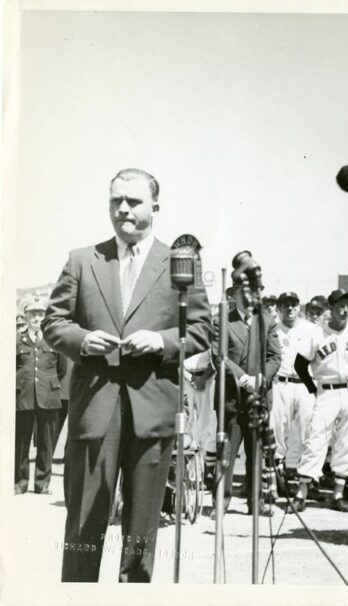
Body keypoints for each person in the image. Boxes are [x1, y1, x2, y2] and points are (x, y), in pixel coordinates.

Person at [42, 168, 212, 582]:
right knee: (83, 526)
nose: (122, 209)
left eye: (133, 201)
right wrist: (82, 340)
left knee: (140, 537)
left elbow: (203, 329)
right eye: (115, 200)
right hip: (95, 412)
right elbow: (53, 323)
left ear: (155, 205)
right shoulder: (83, 260)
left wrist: (162, 342)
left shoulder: (178, 262)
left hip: (152, 414)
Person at [291, 289, 348, 512]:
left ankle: (338, 494)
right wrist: (311, 387)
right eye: (339, 307)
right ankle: (302, 493)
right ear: (331, 309)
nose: (344, 310)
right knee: (316, 437)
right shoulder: (318, 333)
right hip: (326, 390)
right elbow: (300, 364)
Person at [211, 273, 281, 516]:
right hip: (231, 396)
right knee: (226, 452)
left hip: (258, 397)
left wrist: (260, 380)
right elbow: (220, 356)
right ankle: (222, 502)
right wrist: (243, 378)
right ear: (236, 294)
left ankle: (256, 501)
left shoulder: (267, 321)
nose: (252, 297)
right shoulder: (222, 320)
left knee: (256, 453)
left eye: (256, 292)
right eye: (247, 292)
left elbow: (274, 357)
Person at [15, 297, 67, 495]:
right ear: (26, 316)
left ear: (44, 317)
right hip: (24, 396)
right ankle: (20, 482)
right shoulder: (18, 340)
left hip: (48, 396)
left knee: (46, 442)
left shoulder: (53, 340)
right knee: (21, 441)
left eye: (40, 314)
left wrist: (49, 386)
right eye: (33, 314)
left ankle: (42, 483)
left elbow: (62, 369)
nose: (36, 318)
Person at [270, 292, 317, 488]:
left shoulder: (312, 329)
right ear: (279, 308)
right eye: (286, 305)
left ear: (299, 307)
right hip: (281, 383)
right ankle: (276, 478)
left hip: (305, 384)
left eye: (294, 304)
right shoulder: (272, 330)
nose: (290, 308)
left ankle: (306, 481)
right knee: (277, 429)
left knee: (308, 431)